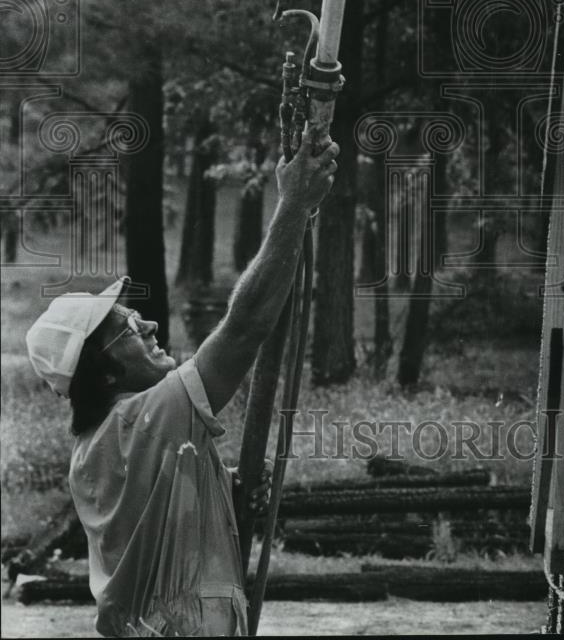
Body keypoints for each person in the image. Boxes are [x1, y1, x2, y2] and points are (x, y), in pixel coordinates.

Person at [26, 134, 338, 638]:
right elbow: (246, 325)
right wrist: (294, 203)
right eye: (128, 327)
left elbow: (164, 521)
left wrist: (227, 491)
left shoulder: (96, 450)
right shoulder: (144, 419)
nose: (149, 327)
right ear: (104, 373)